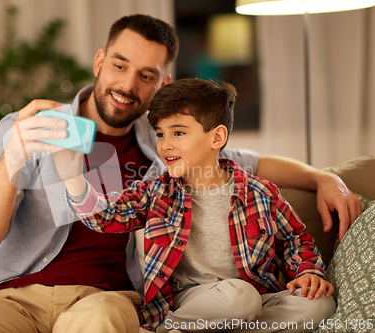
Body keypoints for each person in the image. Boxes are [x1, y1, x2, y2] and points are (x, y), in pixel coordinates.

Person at [0, 14, 357, 333]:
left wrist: (325, 178)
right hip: (11, 297)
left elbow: (250, 163)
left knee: (102, 323)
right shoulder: (34, 127)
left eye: (146, 75)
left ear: (161, 83)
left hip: (105, 300)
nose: (127, 84)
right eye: (119, 65)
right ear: (99, 62)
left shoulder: (165, 148)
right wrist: (15, 155)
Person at [57, 78, 337, 332]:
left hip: (258, 298)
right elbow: (107, 217)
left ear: (217, 137)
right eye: (160, 133)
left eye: (178, 133)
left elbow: (296, 240)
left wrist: (308, 272)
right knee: (239, 298)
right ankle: (169, 329)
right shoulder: (157, 191)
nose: (165, 145)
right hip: (194, 300)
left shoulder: (261, 193)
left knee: (320, 305)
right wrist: (73, 179)